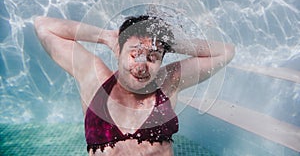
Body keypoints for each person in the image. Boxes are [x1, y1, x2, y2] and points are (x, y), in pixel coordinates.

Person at [34, 15, 235, 156]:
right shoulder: (94, 78)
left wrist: (169, 43)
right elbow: (43, 26)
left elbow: (225, 52)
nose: (141, 67)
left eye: (152, 57)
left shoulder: (167, 83)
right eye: (134, 54)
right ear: (118, 51)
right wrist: (106, 37)